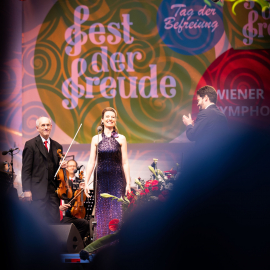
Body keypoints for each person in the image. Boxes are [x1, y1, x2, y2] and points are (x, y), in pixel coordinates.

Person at [84, 107, 131, 240]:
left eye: (113, 117)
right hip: (101, 179)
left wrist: (128, 182)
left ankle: (117, 245)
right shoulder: (96, 138)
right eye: (107, 117)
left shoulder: (121, 138)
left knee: (117, 211)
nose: (110, 119)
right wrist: (86, 182)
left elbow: (125, 162)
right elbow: (91, 161)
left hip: (117, 178)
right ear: (102, 120)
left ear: (115, 120)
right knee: (102, 212)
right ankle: (102, 246)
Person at [22, 116, 66, 224]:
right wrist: (26, 190)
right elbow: (26, 169)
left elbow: (58, 171)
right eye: (43, 125)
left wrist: (62, 166)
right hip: (37, 191)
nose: (46, 127)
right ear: (37, 128)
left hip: (53, 192)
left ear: (51, 127)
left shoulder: (57, 146)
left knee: (54, 222)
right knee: (39, 223)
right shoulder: (30, 144)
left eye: (48, 125)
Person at [60, 159, 90, 242]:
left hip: (77, 212)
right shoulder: (63, 181)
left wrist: (84, 190)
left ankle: (75, 243)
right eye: (70, 166)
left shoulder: (80, 181)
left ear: (76, 168)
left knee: (85, 224)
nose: (72, 167)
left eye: (74, 166)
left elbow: (84, 199)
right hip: (65, 213)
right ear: (66, 167)